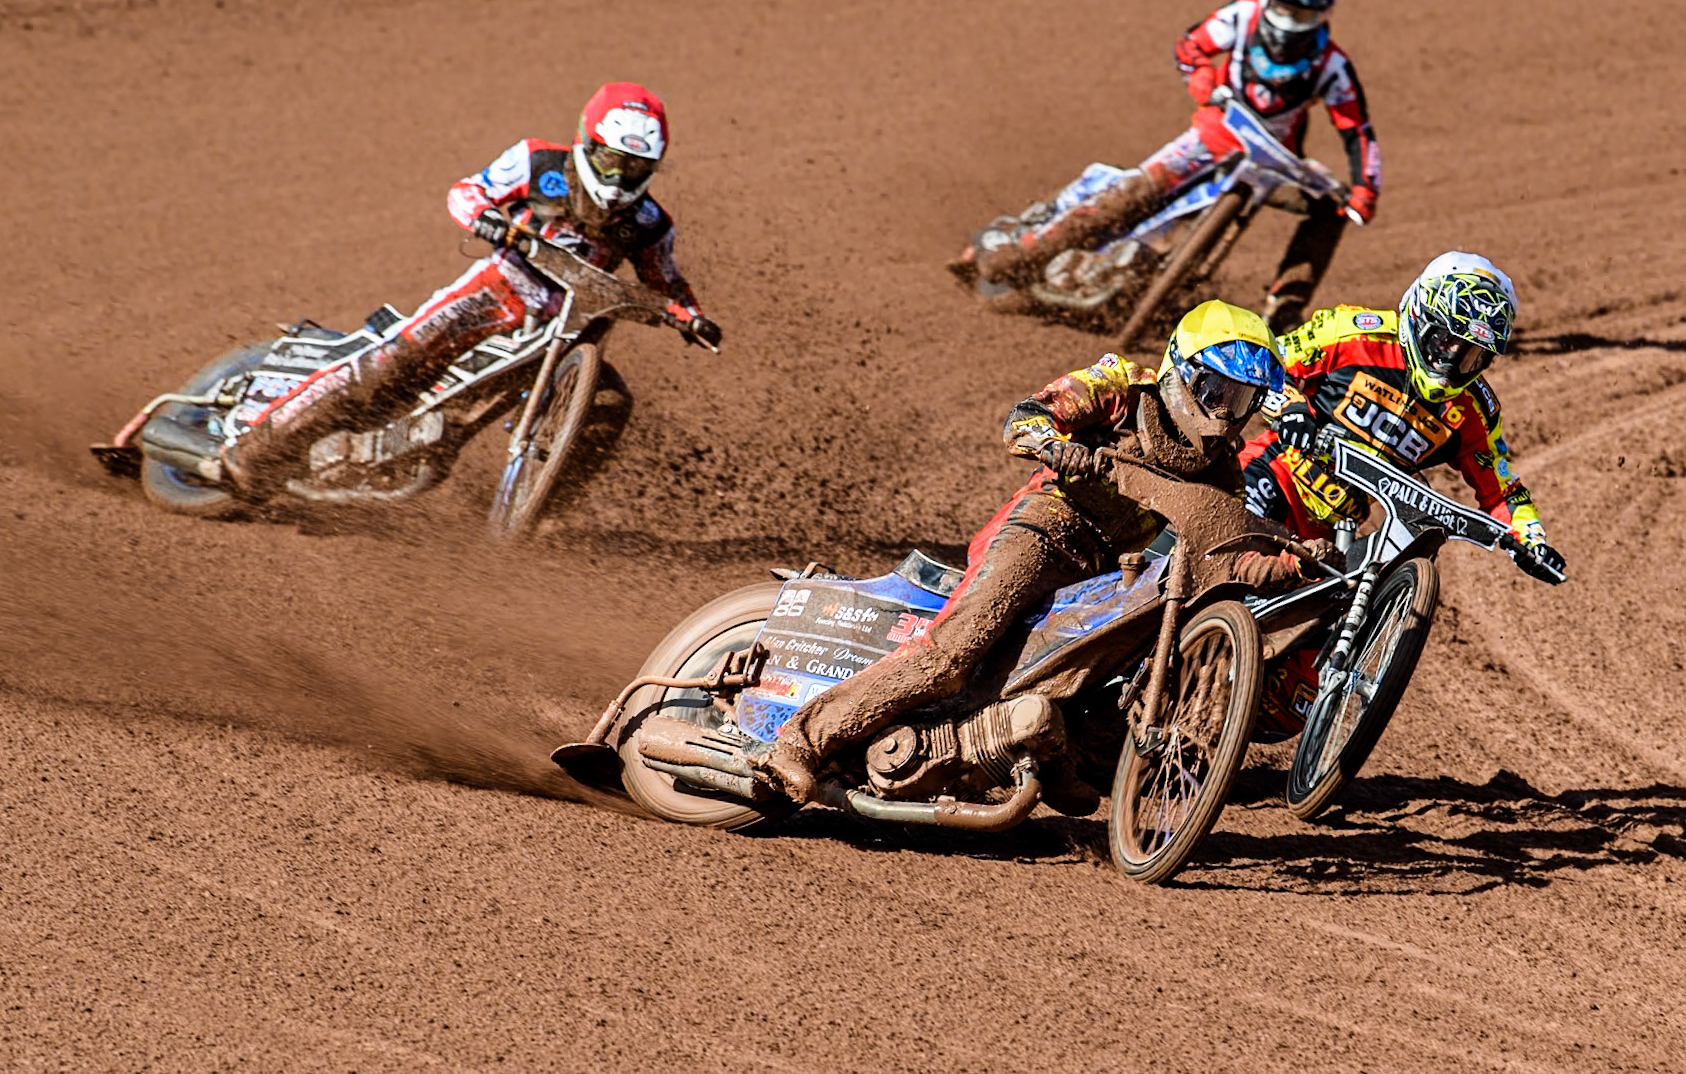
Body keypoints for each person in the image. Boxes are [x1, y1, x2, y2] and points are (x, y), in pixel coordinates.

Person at [752, 300, 1328, 806]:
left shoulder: (1222, 467)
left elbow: (1219, 546)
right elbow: (1024, 417)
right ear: (1181, 372)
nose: (1225, 413)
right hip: (1044, 528)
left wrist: (1282, 565)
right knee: (953, 657)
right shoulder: (1123, 387)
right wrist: (1058, 446)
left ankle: (1033, 754)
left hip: (1105, 572)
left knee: (1093, 676)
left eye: (1243, 399)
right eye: (1215, 392)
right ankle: (803, 740)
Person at [222, 82, 720, 491]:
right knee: (391, 364)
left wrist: (691, 318)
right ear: (587, 143)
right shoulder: (538, 162)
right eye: (611, 161)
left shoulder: (652, 223)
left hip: (569, 326)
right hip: (498, 290)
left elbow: (667, 282)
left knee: (610, 400)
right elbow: (468, 190)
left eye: (634, 168)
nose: (618, 179)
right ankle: (258, 447)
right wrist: (483, 218)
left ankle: (544, 509)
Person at [958, 0, 1382, 333]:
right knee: (1133, 194)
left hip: (1275, 164)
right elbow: (1190, 47)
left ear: (1323, 14)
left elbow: (1356, 128)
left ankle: (1284, 308)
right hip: (1214, 133)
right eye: (1285, 9)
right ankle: (1020, 257)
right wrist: (1202, 81)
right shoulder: (1239, 17)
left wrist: (1365, 189)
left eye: (1304, 15)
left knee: (1331, 207)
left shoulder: (1332, 65)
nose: (1291, 23)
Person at [1240, 251, 1564, 575]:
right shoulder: (1353, 334)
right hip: (1273, 475)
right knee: (1232, 560)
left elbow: (1502, 489)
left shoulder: (1473, 413)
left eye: (1472, 355)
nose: (1452, 361)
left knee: (1361, 586)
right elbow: (1269, 362)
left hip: (1337, 531)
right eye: (1446, 340)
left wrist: (1531, 539)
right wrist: (1291, 410)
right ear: (1420, 318)